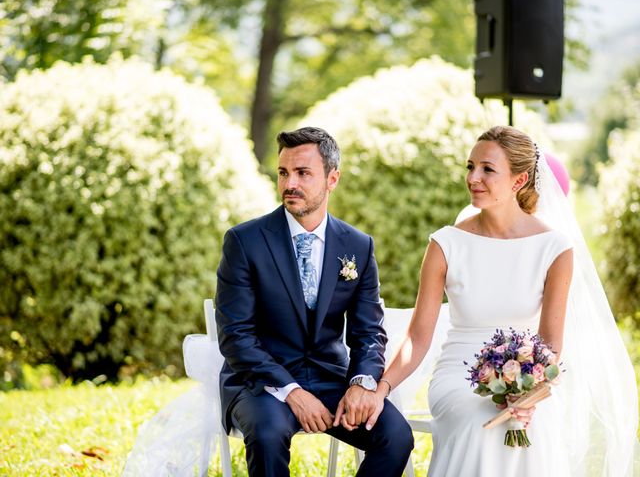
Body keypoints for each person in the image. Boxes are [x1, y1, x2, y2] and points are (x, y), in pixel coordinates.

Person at [367, 125, 638, 476]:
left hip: (529, 376)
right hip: (458, 374)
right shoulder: (445, 244)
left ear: (518, 181)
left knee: (533, 423)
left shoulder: (555, 248)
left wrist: (529, 394)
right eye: (470, 167)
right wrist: (382, 387)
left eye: (487, 169)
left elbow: (551, 344)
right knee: (479, 418)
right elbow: (418, 337)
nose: (473, 177)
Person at [215, 126, 414, 477]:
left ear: (332, 179)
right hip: (261, 383)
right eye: (283, 173)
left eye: (303, 173)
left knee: (396, 436)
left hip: (329, 377)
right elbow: (236, 337)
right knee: (267, 433)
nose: (289, 183)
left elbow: (369, 332)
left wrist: (362, 384)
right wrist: (292, 391)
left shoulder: (358, 246)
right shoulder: (245, 242)